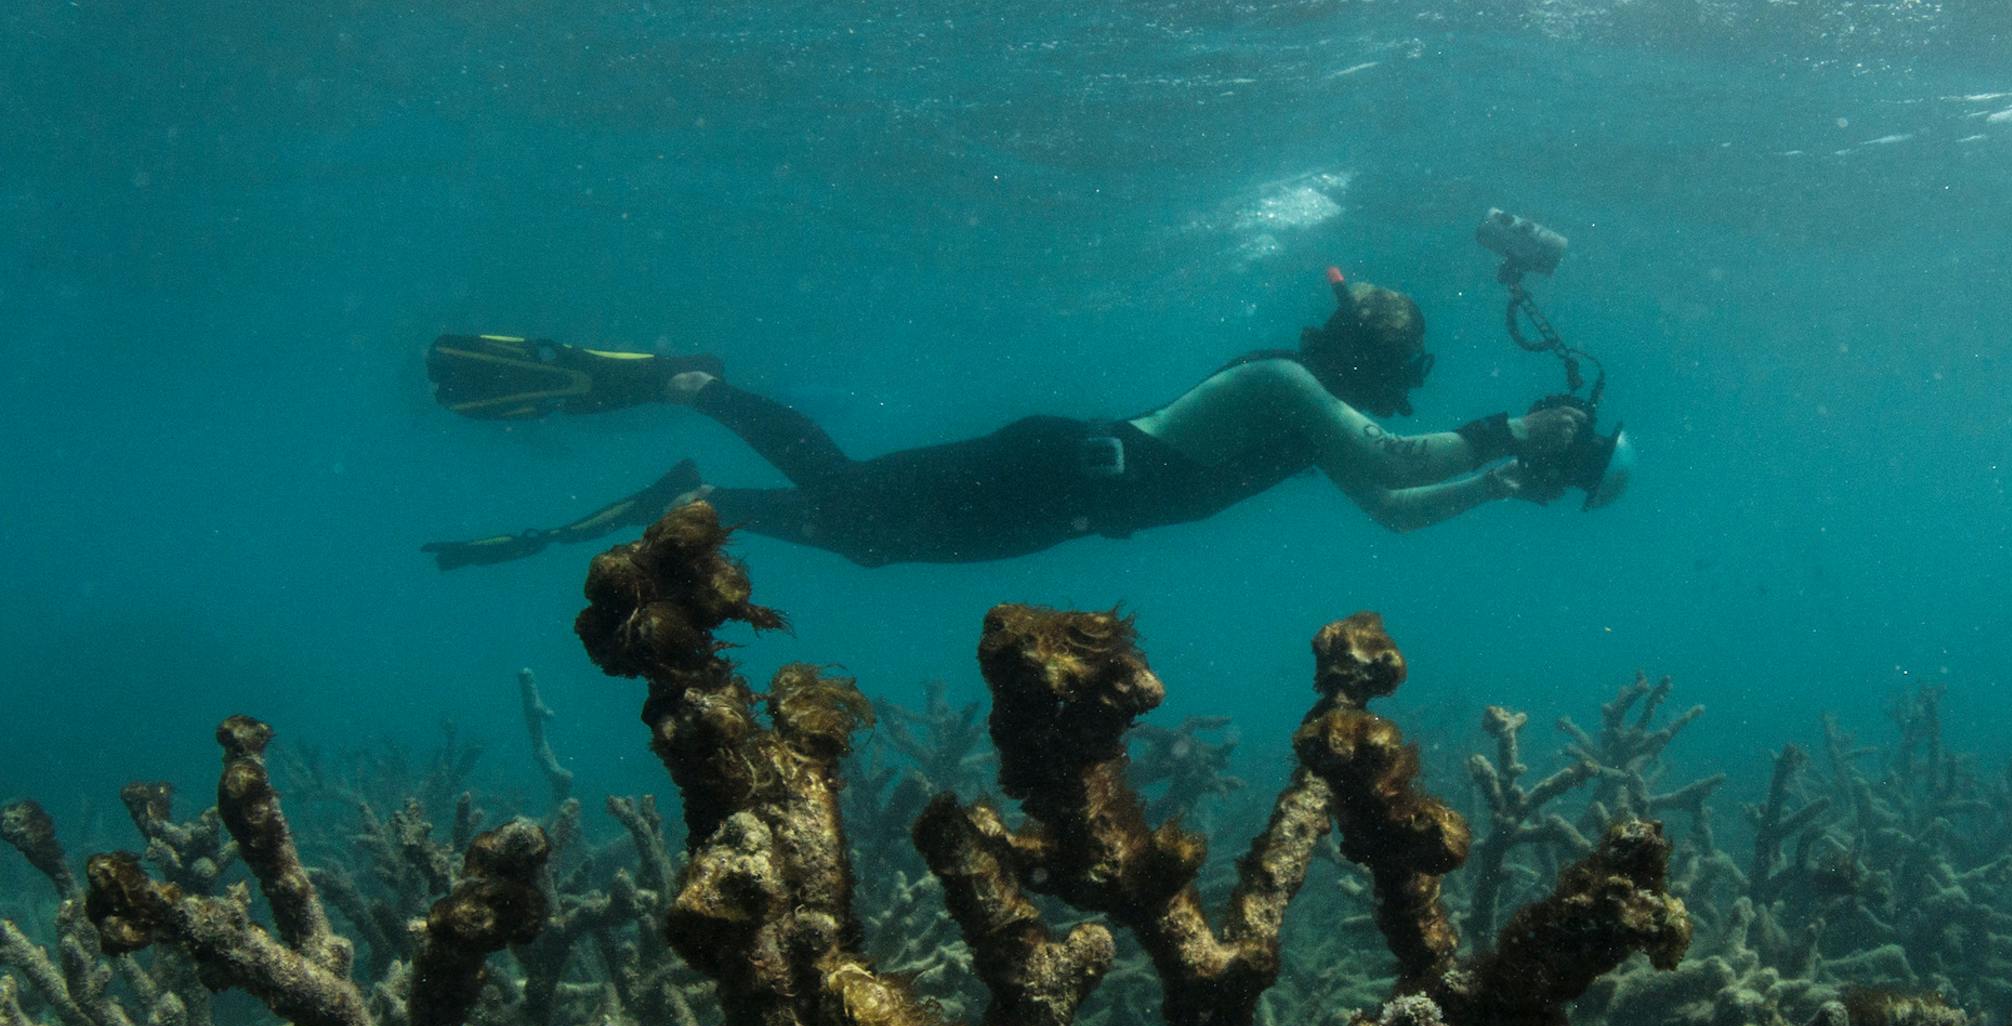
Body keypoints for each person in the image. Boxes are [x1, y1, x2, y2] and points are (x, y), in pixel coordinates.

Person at [420, 270, 1628, 572]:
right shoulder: (1289, 388)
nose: (1408, 382)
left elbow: (1395, 507)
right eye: (1406, 363)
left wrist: (1502, 478)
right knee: (852, 518)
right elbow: (1392, 453)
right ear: (1370, 359)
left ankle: (699, 450)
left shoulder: (1318, 424)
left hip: (1059, 510)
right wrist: (1519, 431)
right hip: (1044, 466)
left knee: (858, 526)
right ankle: (694, 406)